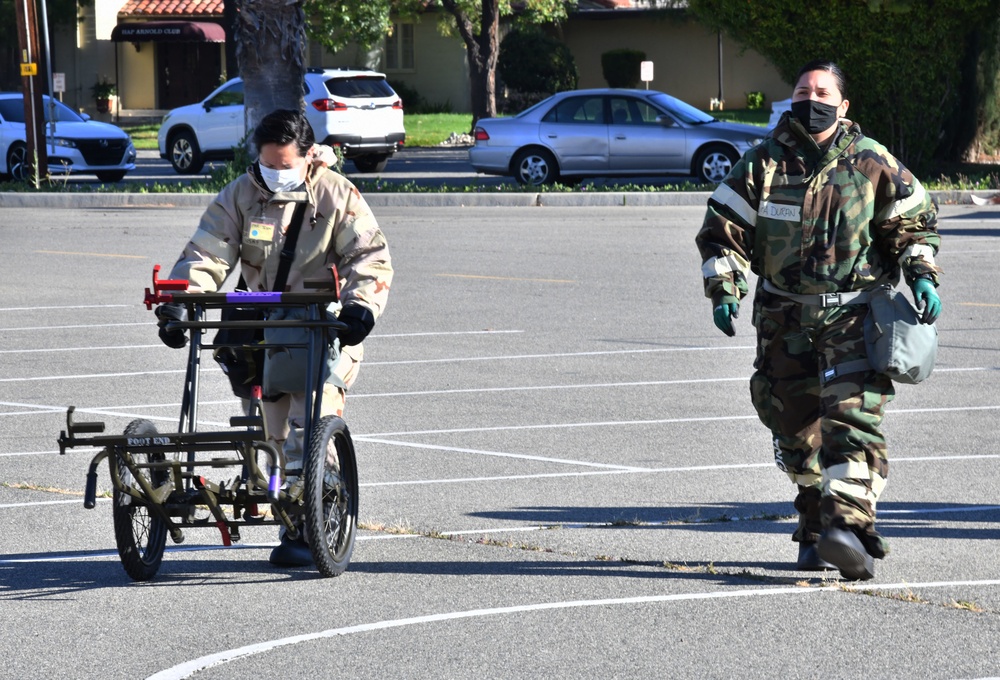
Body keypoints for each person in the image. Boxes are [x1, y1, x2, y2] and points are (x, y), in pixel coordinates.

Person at [695, 60, 941, 581]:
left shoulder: (873, 161)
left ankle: (847, 530)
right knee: (794, 426)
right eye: (803, 90)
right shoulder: (762, 163)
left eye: (823, 91)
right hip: (783, 318)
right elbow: (724, 230)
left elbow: (913, 223)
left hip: (855, 316)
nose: (812, 98)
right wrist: (725, 288)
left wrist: (920, 272)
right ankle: (813, 524)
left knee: (852, 420)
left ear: (843, 104)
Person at [155, 109, 393, 567]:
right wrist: (180, 302)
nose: (276, 174)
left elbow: (369, 256)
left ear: (308, 157)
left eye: (285, 165)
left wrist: (362, 306)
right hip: (261, 325)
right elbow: (207, 249)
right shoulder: (242, 195)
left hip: (322, 324)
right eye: (268, 165)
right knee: (269, 435)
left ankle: (311, 521)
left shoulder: (336, 195)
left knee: (311, 422)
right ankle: (279, 503)